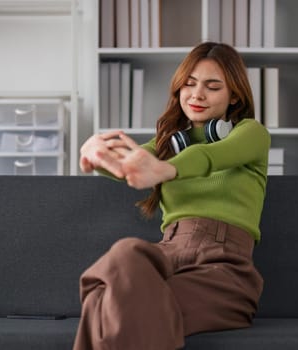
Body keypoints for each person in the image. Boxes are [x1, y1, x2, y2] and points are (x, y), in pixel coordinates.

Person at [73, 41, 271, 350]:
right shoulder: (167, 145)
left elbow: (211, 157)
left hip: (223, 269)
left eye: (212, 86)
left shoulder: (251, 134)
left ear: (234, 95)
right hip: (166, 256)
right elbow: (125, 163)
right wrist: (94, 151)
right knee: (124, 257)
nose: (196, 94)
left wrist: (165, 170)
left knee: (103, 301)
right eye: (189, 84)